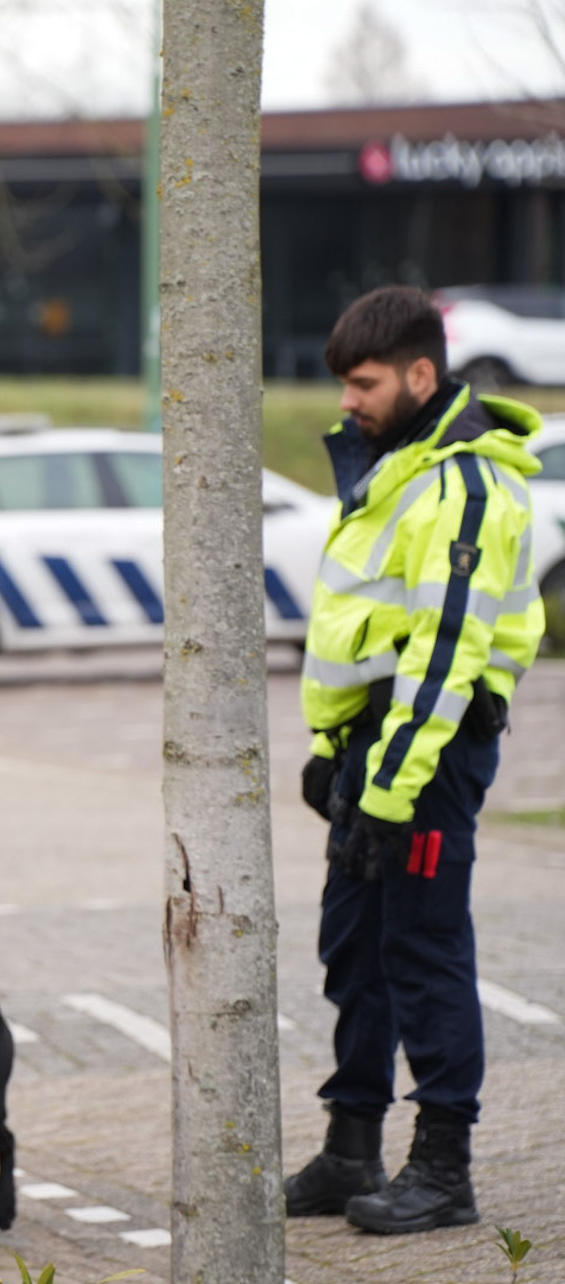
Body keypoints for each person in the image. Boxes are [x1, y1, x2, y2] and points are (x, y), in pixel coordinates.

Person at [283, 286, 544, 1234]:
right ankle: (351, 1146)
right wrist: (332, 754)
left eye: (365, 382)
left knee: (425, 954)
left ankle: (445, 1169)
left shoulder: (462, 484)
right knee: (355, 953)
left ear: (421, 375)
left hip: (425, 761)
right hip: (374, 753)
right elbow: (362, 631)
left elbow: (444, 653)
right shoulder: (395, 469)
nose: (348, 400)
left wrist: (388, 792)